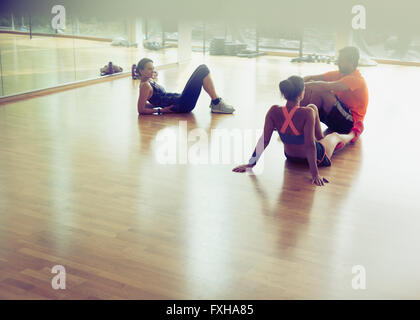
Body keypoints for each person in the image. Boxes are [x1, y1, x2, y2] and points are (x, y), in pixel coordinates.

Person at [232, 76, 358, 186]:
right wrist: (315, 175)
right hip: (317, 158)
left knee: (313, 107)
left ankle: (322, 140)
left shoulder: (273, 111)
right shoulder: (306, 114)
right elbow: (309, 146)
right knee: (335, 136)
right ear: (301, 94)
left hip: (291, 157)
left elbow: (264, 140)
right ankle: (353, 134)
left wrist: (251, 164)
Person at [301, 46, 368, 142]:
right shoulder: (338, 74)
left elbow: (324, 87)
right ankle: (296, 119)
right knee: (311, 88)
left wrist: (302, 85)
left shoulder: (356, 79)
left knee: (321, 90)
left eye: (341, 60)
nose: (338, 63)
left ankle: (303, 122)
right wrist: (299, 82)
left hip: (350, 124)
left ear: (351, 63)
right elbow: (311, 78)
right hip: (338, 118)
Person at [136, 58, 235, 115]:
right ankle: (216, 102)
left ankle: (216, 102)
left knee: (202, 69)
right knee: (203, 69)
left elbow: (146, 104)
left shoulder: (148, 80)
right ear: (141, 71)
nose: (152, 71)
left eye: (153, 68)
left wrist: (157, 104)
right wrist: (161, 110)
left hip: (180, 100)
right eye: (149, 69)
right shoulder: (145, 86)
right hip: (182, 104)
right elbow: (141, 110)